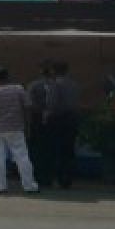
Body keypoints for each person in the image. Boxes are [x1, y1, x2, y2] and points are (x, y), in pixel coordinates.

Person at [0, 66, 39, 194]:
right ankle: (29, 186)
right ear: (7, 77)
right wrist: (28, 126)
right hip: (16, 127)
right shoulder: (18, 89)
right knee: (22, 157)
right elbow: (28, 108)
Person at [45, 61, 80, 189]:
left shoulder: (54, 85)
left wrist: (47, 113)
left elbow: (52, 103)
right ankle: (68, 177)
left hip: (58, 118)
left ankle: (58, 178)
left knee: (56, 149)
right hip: (72, 119)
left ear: (54, 71)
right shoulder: (74, 84)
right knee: (69, 149)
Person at [27, 61, 54, 183]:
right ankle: (49, 175)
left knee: (36, 147)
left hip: (37, 117)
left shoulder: (34, 85)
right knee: (50, 147)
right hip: (53, 118)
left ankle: (37, 174)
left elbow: (29, 103)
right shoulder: (55, 85)